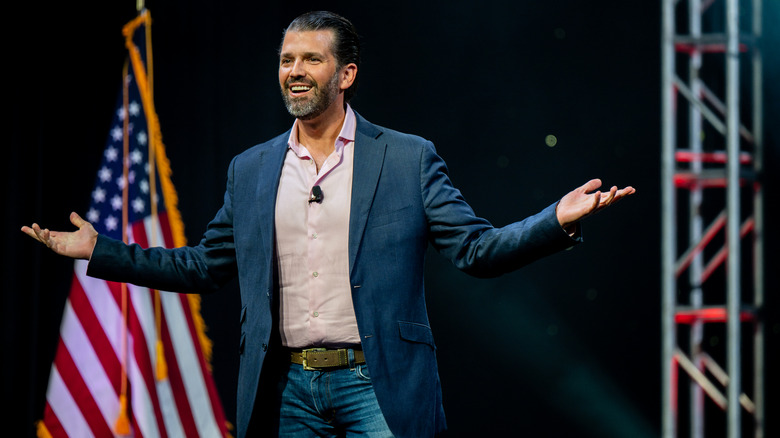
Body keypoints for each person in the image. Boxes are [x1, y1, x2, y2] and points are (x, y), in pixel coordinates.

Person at [22, 10, 635, 438]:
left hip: (378, 384)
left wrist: (555, 220)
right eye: (287, 59)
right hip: (285, 390)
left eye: (311, 59)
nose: (294, 69)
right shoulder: (251, 169)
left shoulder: (406, 157)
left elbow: (476, 250)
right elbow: (203, 266)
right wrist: (99, 250)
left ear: (345, 74)